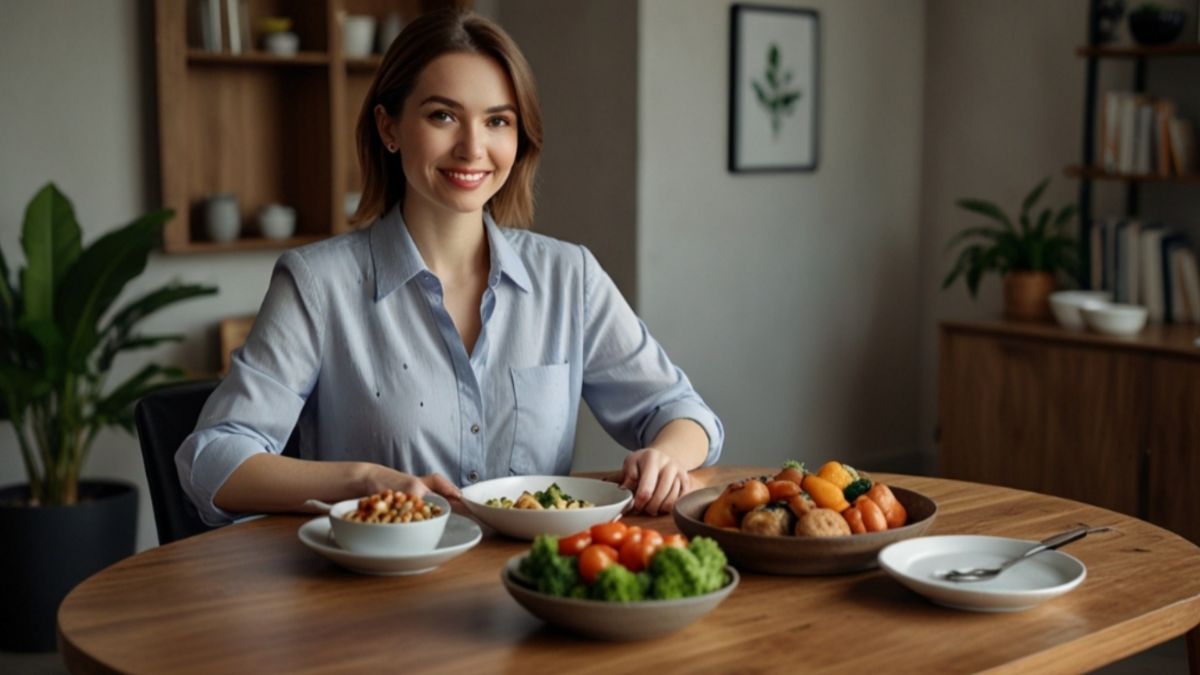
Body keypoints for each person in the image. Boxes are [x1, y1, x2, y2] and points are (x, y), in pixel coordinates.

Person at [176, 10, 723, 526]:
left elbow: (683, 412)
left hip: (533, 591)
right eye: (443, 116)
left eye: (497, 121)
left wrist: (667, 456)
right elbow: (213, 460)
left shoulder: (568, 277)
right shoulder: (317, 285)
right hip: (372, 602)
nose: (472, 147)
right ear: (389, 129)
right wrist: (364, 482)